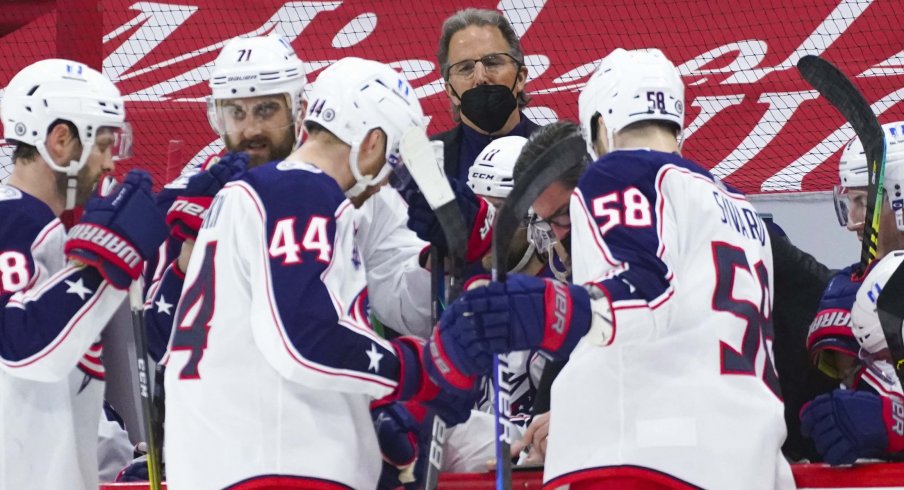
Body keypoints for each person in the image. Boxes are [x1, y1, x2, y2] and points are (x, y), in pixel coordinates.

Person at [433, 48, 795, 488]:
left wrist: (553, 309)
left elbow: (643, 293)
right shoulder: (737, 205)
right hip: (744, 461)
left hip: (646, 457)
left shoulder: (619, 170)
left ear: (599, 125)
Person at [162, 57, 480, 490]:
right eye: (389, 161)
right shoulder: (301, 189)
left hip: (233, 462)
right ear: (370, 143)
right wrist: (423, 368)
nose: (384, 181)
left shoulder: (264, 194)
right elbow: (305, 341)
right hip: (277, 467)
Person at [146, 35, 434, 363]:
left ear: (301, 110)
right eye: (235, 113)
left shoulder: (361, 194)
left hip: (328, 397)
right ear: (217, 117)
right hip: (223, 401)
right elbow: (157, 345)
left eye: (266, 110)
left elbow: (412, 312)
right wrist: (188, 259)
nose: (251, 129)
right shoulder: (184, 202)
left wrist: (435, 261)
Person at [0, 59, 166, 490]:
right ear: (60, 140)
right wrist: (100, 272)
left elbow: (69, 378)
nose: (112, 163)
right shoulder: (18, 222)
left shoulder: (35, 222)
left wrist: (118, 455)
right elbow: (21, 349)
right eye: (104, 144)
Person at [801, 121, 904, 465]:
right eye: (850, 202)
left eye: (863, 201)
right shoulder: (854, 291)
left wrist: (895, 426)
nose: (853, 222)